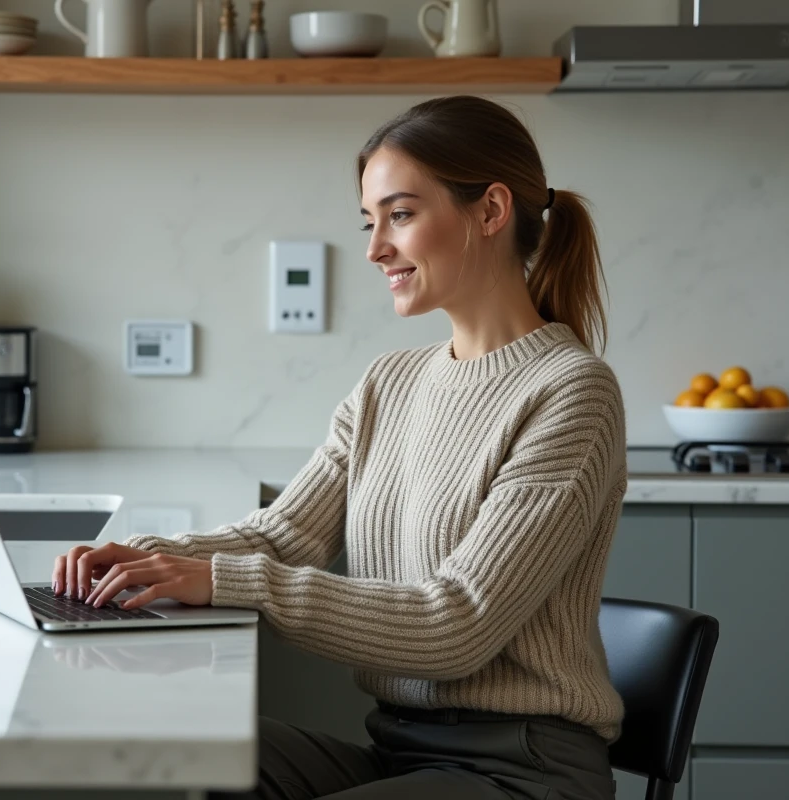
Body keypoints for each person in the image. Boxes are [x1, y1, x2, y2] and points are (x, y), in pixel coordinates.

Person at [52, 95, 626, 800]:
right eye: (371, 220)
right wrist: (146, 559)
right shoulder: (391, 381)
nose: (375, 247)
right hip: (400, 750)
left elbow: (459, 622)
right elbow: (284, 535)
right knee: (125, 756)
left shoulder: (571, 391)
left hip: (522, 769)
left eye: (401, 214)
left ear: (490, 211)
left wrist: (226, 582)